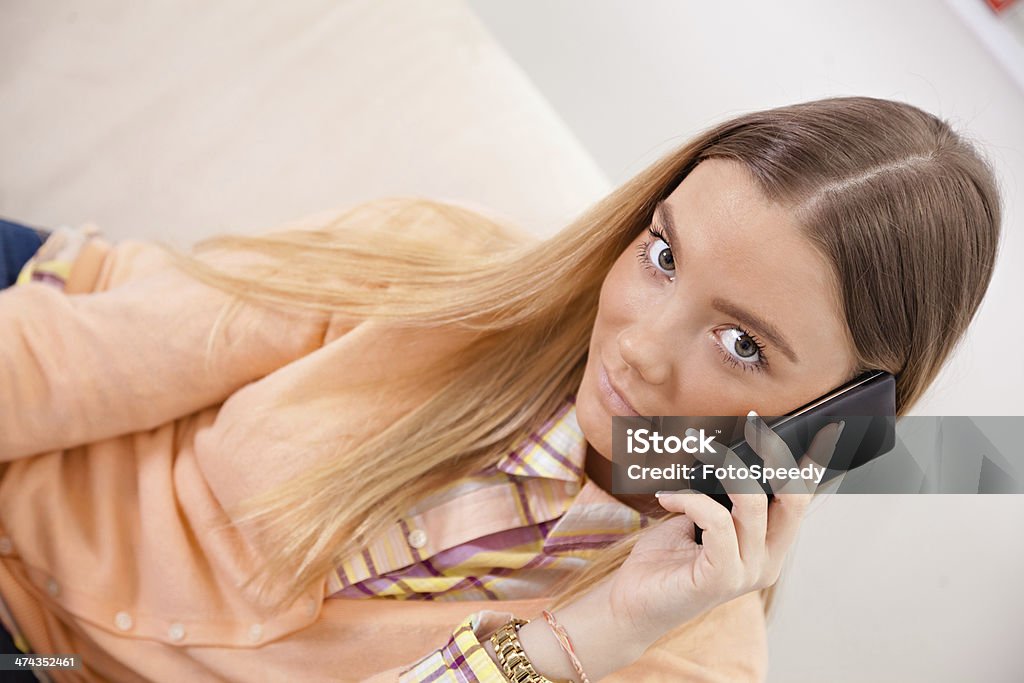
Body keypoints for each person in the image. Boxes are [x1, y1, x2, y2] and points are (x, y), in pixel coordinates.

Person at [0, 95, 1001, 682]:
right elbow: (55, 366)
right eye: (660, 253)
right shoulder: (437, 262)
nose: (640, 349)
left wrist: (587, 635)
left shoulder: (683, 655)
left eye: (741, 342)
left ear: (839, 421)